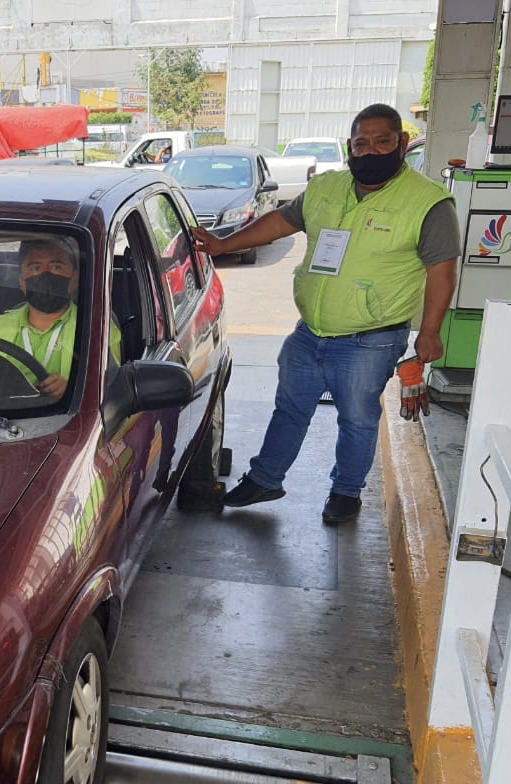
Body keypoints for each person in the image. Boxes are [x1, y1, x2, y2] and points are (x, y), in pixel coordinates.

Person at [191, 103, 460, 524]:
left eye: (382, 142)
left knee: (356, 418)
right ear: (349, 146)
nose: (370, 152)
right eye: (361, 143)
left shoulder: (428, 203)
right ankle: (265, 479)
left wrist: (430, 331)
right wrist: (225, 244)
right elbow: (281, 221)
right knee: (290, 407)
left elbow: (442, 272)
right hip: (310, 331)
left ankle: (346, 492)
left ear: (402, 144)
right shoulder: (326, 188)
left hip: (372, 338)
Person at [0, 238, 119, 399]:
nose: (45, 274)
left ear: (74, 280)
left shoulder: (97, 327)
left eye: (56, 266)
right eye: (35, 268)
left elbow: (111, 392)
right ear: (21, 282)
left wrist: (74, 390)